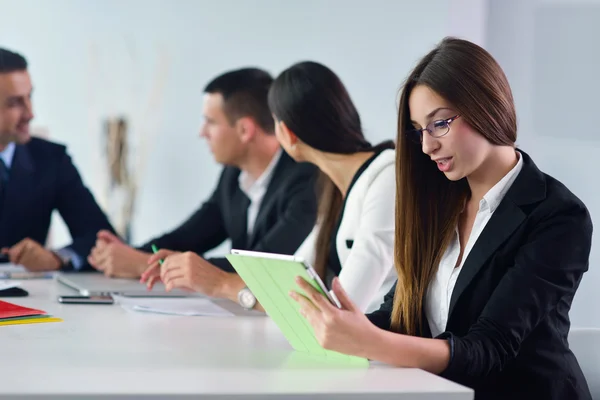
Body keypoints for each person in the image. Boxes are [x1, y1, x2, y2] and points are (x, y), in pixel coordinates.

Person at [289, 38, 592, 399]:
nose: (427, 146)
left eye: (440, 124)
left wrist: (370, 341)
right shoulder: (437, 204)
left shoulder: (558, 216)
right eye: (419, 130)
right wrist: (345, 327)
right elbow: (402, 315)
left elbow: (488, 349)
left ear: (487, 106)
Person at [90, 68, 318, 309]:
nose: (202, 133)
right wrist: (125, 254)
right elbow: (188, 236)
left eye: (210, 122)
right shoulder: (234, 175)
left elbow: (263, 266)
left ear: (245, 130)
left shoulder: (307, 182)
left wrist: (143, 264)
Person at [266, 61, 396, 313]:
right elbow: (291, 279)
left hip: (380, 341)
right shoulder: (335, 186)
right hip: (356, 341)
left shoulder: (387, 173)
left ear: (287, 132)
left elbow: (343, 307)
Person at [0, 48, 115, 271]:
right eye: (14, 102)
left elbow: (102, 237)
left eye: (29, 97)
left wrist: (58, 257)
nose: (30, 113)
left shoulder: (51, 159)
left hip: (29, 297)